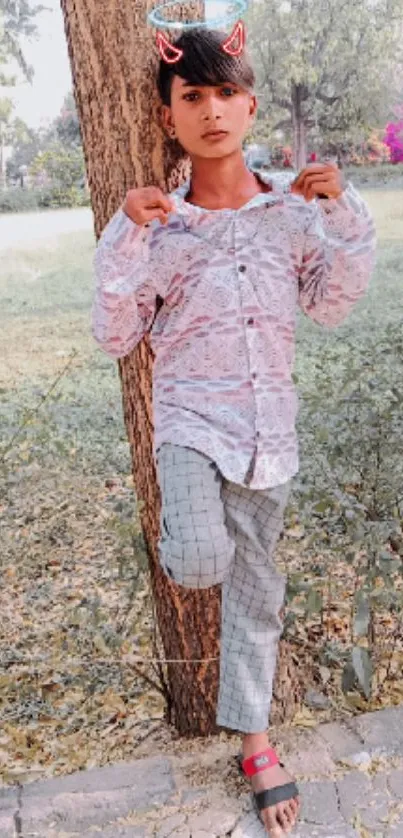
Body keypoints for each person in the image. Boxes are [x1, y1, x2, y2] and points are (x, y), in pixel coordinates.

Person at [92, 27, 376, 837]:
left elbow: (329, 302)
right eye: (192, 97)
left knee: (256, 594)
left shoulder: (291, 210)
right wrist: (126, 233)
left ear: (250, 104)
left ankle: (255, 742)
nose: (211, 111)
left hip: (268, 434)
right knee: (200, 561)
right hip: (188, 426)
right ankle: (183, 539)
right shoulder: (159, 223)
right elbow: (115, 336)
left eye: (225, 94)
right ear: (168, 115)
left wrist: (342, 210)